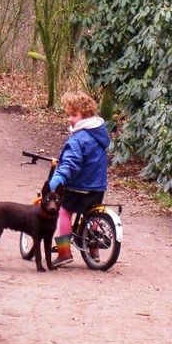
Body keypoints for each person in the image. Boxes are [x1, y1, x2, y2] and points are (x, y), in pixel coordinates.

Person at [49, 91, 111, 267]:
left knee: (65, 211)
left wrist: (59, 178)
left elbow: (71, 163)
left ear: (86, 115)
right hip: (97, 186)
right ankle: (93, 251)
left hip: (78, 186)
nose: (70, 119)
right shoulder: (99, 135)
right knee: (93, 214)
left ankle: (64, 252)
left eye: (74, 115)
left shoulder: (79, 138)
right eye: (68, 115)